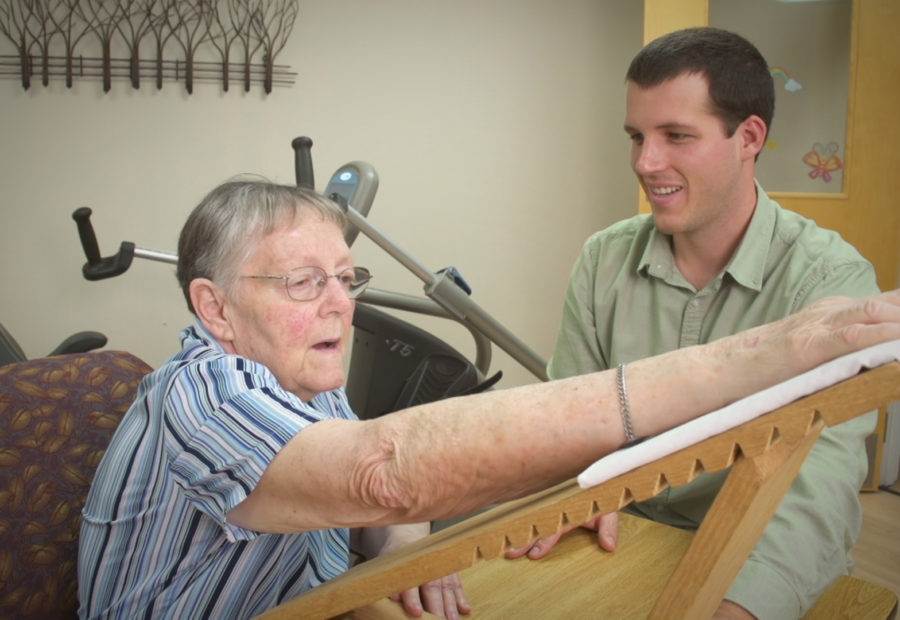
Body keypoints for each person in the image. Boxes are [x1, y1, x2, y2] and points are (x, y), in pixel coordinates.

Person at [77, 179, 900, 620]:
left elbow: (372, 506)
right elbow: (383, 471)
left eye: (345, 278)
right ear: (213, 308)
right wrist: (771, 353)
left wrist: (401, 556)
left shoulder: (296, 385)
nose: (342, 303)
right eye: (303, 283)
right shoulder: (205, 395)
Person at [508, 27, 881, 620]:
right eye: (636, 137)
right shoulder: (604, 259)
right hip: (615, 534)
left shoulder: (829, 284)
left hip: (752, 552)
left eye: (677, 136)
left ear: (749, 137)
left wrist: (742, 606)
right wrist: (572, 494)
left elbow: (817, 487)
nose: (646, 163)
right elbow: (565, 427)